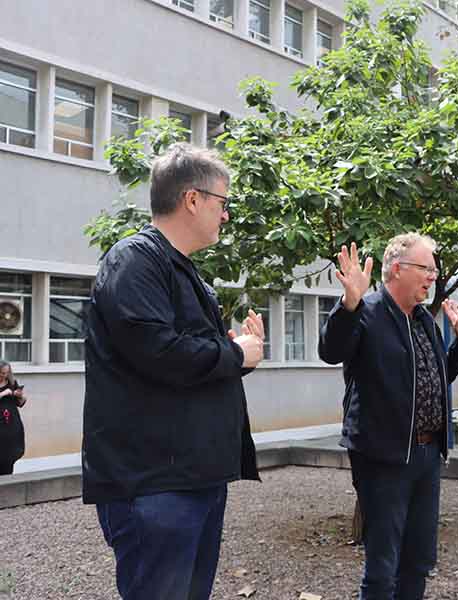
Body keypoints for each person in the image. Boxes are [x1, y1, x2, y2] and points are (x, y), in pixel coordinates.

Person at [82, 143, 265, 600]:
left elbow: (185, 358)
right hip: (155, 485)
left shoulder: (184, 272)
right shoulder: (134, 260)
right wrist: (236, 355)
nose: (226, 216)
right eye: (223, 204)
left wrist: (233, 350)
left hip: (192, 477)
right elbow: (159, 351)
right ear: (192, 199)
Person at [318, 234, 458, 600]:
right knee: (383, 565)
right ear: (397, 269)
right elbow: (330, 350)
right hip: (383, 456)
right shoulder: (366, 311)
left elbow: (435, 380)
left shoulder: (424, 320)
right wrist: (348, 303)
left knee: (418, 560)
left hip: (427, 455)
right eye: (426, 268)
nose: (432, 277)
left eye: (434, 270)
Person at [0, 360, 26, 475]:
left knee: (9, 456)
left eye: (6, 373)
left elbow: (20, 403)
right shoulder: (6, 389)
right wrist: (4, 393)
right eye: (1, 373)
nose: (4, 375)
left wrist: (21, 397)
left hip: (12, 425)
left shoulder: (12, 383)